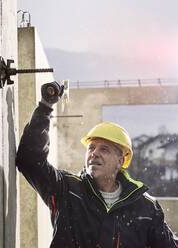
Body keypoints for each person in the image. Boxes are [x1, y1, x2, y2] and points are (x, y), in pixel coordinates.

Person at [16, 82, 178, 248]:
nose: (94, 153)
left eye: (104, 149)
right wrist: (45, 107)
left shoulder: (145, 207)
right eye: (91, 147)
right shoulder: (66, 189)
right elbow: (30, 160)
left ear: (120, 161)